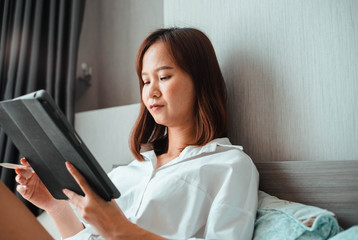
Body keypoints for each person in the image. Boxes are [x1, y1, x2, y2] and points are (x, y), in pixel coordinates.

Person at [15, 27, 259, 239]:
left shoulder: (231, 166)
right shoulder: (129, 171)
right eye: (145, 81)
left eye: (163, 77)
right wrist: (54, 206)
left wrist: (120, 230)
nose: (151, 92)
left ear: (200, 82)